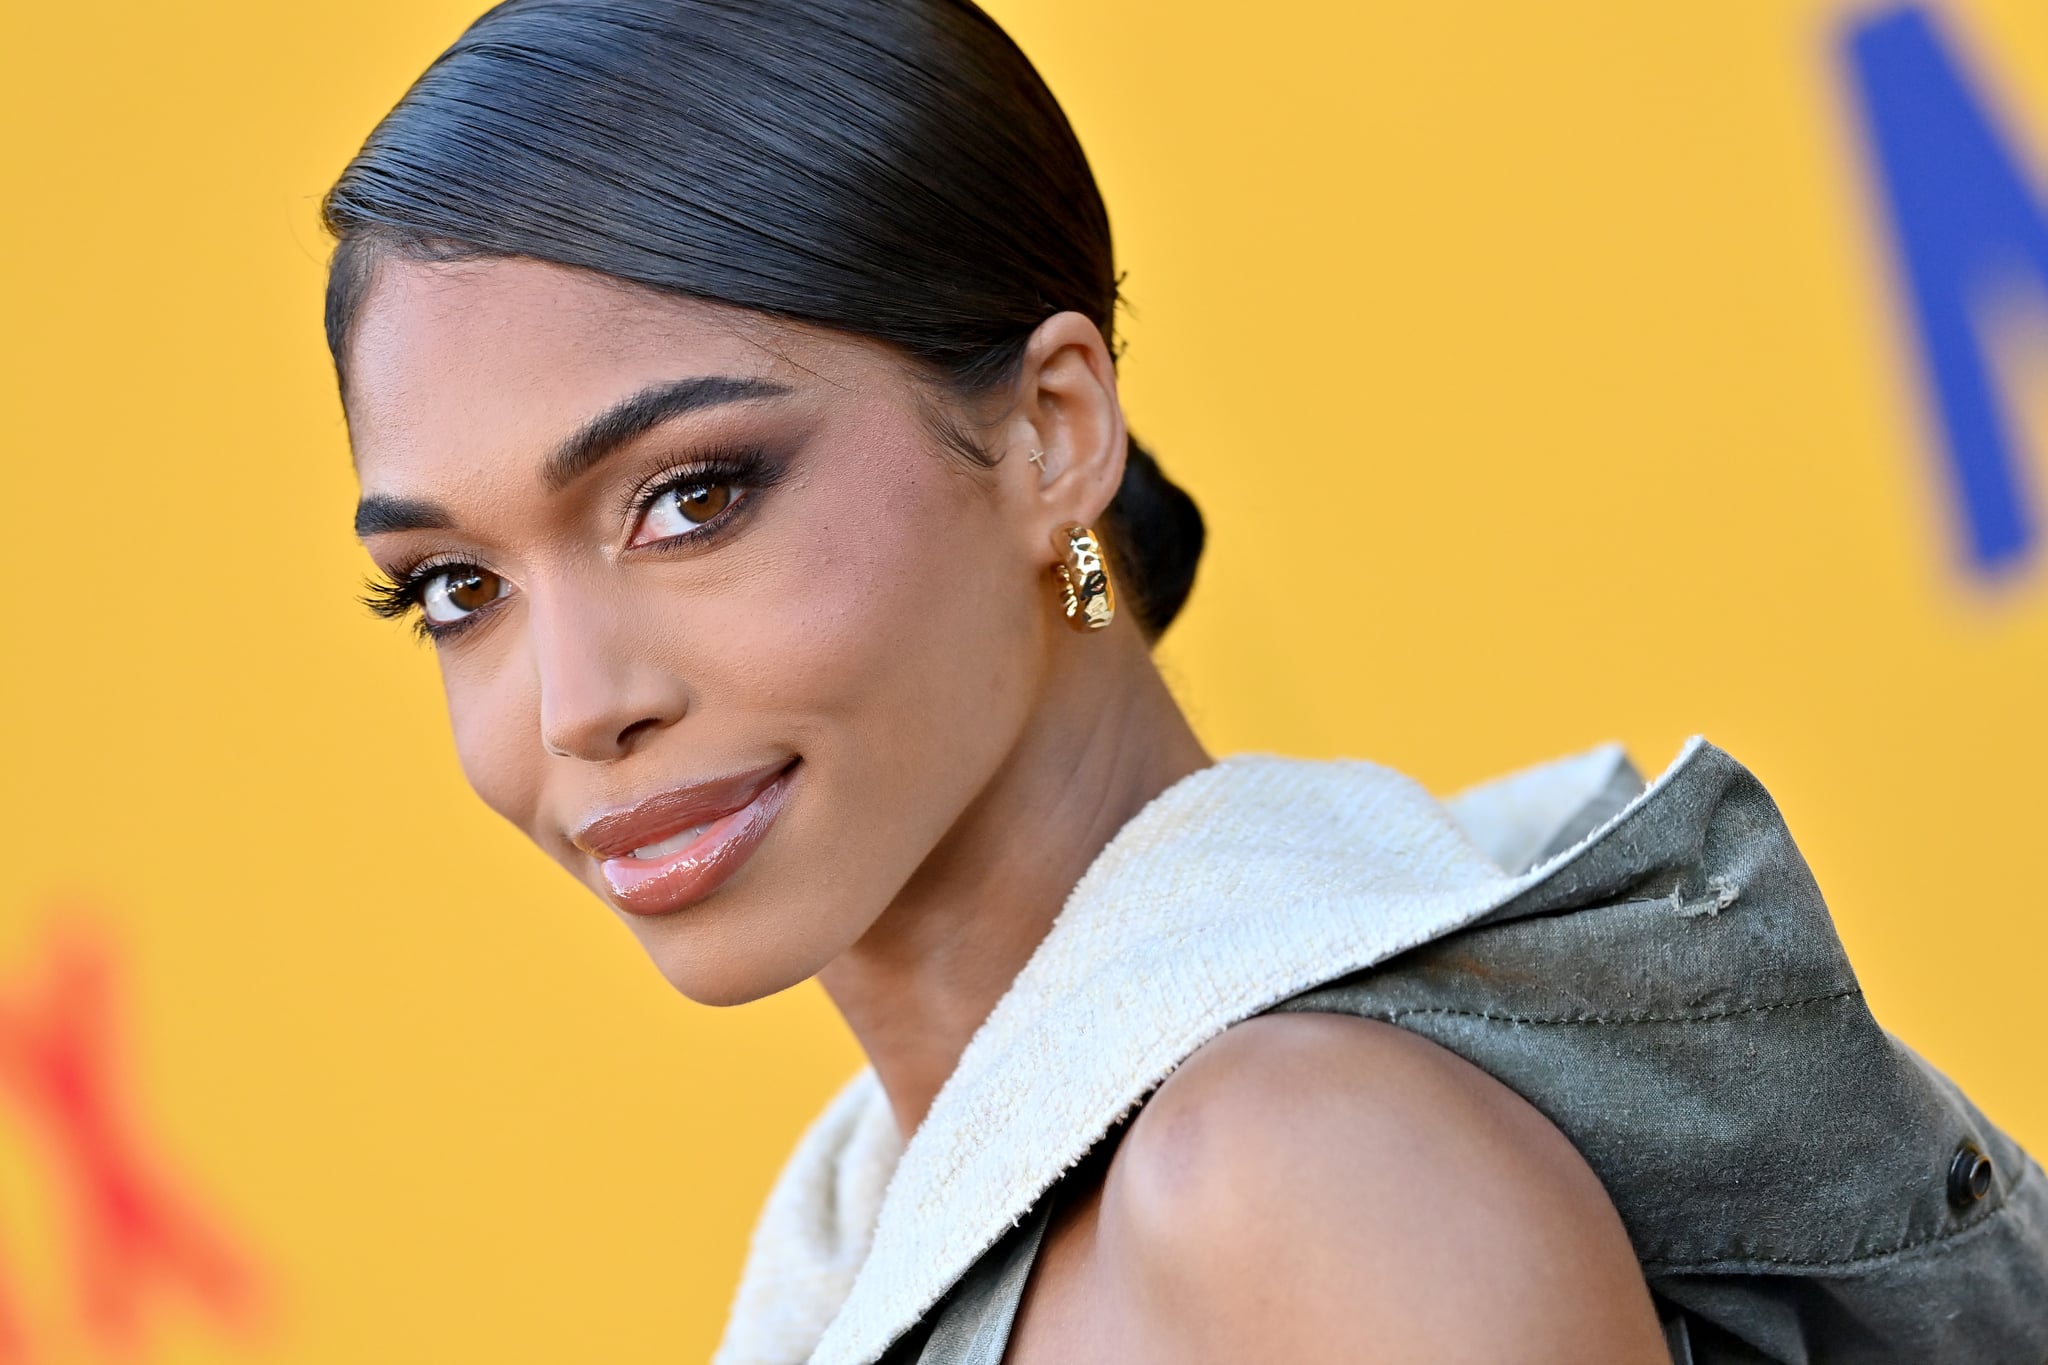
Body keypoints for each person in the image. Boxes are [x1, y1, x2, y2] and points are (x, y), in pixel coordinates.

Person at [321, 2, 2048, 1361]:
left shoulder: (1299, 1176)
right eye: (456, 587)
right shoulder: (876, 1253)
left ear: (1051, 436)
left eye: (691, 497)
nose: (574, 704)